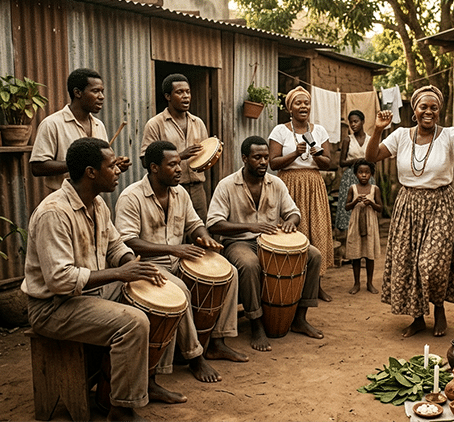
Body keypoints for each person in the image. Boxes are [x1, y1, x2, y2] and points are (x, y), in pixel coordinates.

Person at [22, 137, 184, 422]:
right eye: (111, 165)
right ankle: (121, 410)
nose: (118, 170)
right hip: (53, 307)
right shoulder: (54, 213)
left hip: (87, 295)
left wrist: (133, 265)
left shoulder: (97, 204)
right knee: (134, 323)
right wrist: (121, 274)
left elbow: (115, 246)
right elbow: (60, 280)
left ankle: (137, 384)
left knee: (157, 300)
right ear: (90, 172)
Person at [115, 141, 248, 384]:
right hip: (148, 265)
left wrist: (205, 239)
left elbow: (195, 224)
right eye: (173, 164)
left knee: (229, 272)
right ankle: (194, 357)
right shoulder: (131, 196)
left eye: (180, 163)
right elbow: (128, 241)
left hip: (180, 258)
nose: (180, 169)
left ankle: (217, 341)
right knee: (181, 290)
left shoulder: (181, 193)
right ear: (154, 168)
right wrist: (174, 249)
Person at [368, 85, 454, 337]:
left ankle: (440, 308)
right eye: (424, 107)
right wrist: (378, 129)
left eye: (434, 107)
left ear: (440, 110)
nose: (428, 112)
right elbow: (372, 156)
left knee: (432, 263)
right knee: (409, 263)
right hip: (408, 204)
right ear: (415, 110)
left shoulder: (450, 135)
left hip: (440, 204)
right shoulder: (400, 136)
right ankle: (418, 317)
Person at [207, 136, 324, 352]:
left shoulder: (276, 183)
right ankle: (256, 324)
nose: (263, 162)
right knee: (250, 264)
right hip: (239, 242)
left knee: (314, 255)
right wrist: (249, 227)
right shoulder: (227, 185)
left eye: (266, 157)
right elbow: (214, 224)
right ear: (244, 158)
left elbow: (293, 212)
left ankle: (300, 318)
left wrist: (290, 222)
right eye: (257, 157)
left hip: (273, 242)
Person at [268, 86, 334, 302]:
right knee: (295, 232)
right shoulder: (280, 131)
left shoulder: (320, 131)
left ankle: (316, 285)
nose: (303, 106)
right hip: (288, 184)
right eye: (298, 103)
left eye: (306, 103)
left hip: (314, 185)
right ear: (290, 108)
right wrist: (294, 153)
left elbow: (328, 163)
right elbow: (273, 162)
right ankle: (294, 284)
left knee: (317, 231)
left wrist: (317, 156)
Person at [30, 68, 131, 191]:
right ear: (77, 93)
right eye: (95, 91)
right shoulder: (52, 124)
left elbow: (100, 163)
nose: (102, 97)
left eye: (102, 91)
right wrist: (77, 164)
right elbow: (37, 167)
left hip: (93, 199)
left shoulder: (99, 125)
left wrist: (113, 164)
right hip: (63, 199)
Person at [141, 74, 210, 219]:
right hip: (169, 189)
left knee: (200, 232)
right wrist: (180, 156)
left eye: (188, 92)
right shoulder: (155, 124)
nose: (186, 96)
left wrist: (212, 152)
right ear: (168, 96)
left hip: (197, 189)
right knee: (173, 233)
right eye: (180, 92)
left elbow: (204, 158)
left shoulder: (198, 123)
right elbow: (145, 161)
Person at [344, 158, 383, 295]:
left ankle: (370, 283)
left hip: (370, 225)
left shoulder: (374, 189)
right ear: (356, 174)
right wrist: (355, 201)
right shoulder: (352, 189)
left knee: (369, 255)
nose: (364, 175)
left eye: (367, 172)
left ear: (371, 174)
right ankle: (356, 283)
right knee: (356, 255)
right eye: (360, 172)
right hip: (356, 225)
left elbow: (380, 208)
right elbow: (347, 207)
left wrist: (371, 203)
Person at [335, 110, 374, 234]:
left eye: (356, 121)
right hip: (349, 177)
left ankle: (366, 236)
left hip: (367, 177)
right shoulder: (348, 140)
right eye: (351, 122)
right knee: (349, 205)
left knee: (366, 206)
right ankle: (347, 237)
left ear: (363, 122)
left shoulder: (370, 140)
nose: (353, 125)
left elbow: (375, 161)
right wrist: (356, 161)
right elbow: (341, 162)